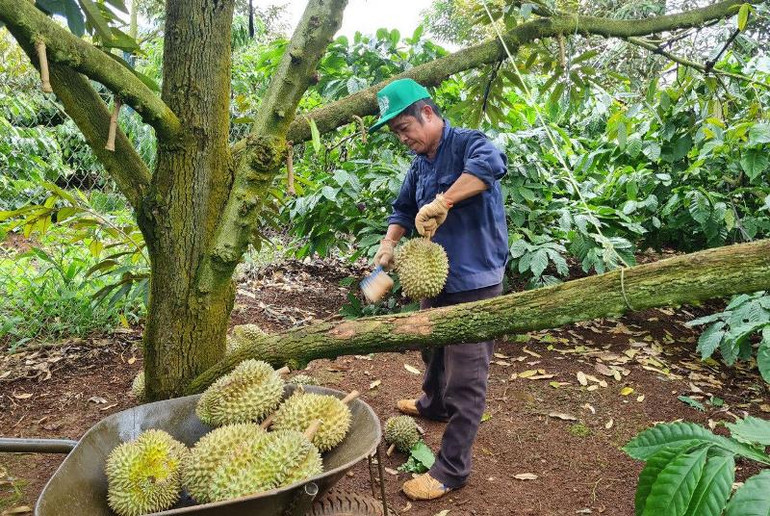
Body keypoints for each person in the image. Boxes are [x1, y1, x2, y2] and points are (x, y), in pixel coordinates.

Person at [369, 78, 509, 501]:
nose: (403, 138)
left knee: (467, 376)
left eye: (404, 128)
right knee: (431, 348)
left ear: (427, 113)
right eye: (395, 133)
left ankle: (452, 470)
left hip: (476, 281)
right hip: (436, 278)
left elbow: (491, 166)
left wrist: (444, 201)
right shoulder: (418, 166)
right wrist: (390, 242)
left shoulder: (469, 143)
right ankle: (433, 404)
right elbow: (403, 208)